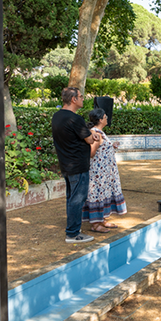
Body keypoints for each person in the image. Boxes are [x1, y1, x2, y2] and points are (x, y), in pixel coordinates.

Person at [52, 87, 100, 244]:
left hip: (66, 164)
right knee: (77, 199)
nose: (83, 99)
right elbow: (89, 139)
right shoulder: (75, 119)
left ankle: (72, 230)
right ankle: (73, 233)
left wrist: (89, 134)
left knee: (71, 198)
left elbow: (79, 135)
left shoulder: (57, 116)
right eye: (80, 96)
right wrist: (93, 136)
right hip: (78, 165)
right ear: (73, 99)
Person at [82, 108, 127, 233]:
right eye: (105, 117)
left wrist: (111, 146)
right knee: (97, 195)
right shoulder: (95, 133)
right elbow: (92, 152)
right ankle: (95, 224)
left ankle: (101, 219)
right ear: (100, 120)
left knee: (103, 194)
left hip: (105, 173)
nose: (107, 119)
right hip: (98, 173)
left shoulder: (100, 132)